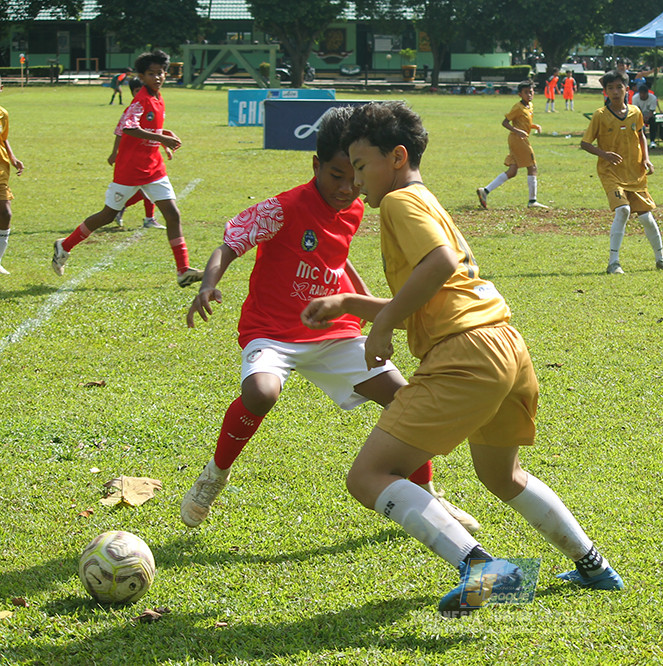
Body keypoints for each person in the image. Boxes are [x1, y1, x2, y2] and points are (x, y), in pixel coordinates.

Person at [300, 101, 623, 618]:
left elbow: (440, 264)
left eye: (362, 166)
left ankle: (485, 570)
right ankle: (592, 563)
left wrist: (380, 325)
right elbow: (440, 288)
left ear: (397, 156)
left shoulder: (400, 203)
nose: (357, 182)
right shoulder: (425, 201)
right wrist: (355, 305)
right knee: (503, 476)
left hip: (465, 353)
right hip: (503, 344)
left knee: (368, 476)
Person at [180, 107, 479, 533]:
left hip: (332, 332)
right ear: (316, 165)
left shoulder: (356, 208)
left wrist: (360, 300)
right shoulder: (284, 207)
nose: (347, 188)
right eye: (336, 176)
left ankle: (430, 495)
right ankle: (215, 475)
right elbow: (230, 242)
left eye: (355, 177)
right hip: (273, 331)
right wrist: (208, 284)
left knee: (405, 399)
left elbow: (335, 259)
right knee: (262, 393)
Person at [51, 50, 202, 287]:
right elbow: (128, 128)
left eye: (161, 72)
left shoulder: (158, 97)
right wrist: (161, 139)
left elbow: (146, 127)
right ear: (142, 76)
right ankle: (64, 245)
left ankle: (183, 270)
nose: (157, 77)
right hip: (130, 169)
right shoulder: (141, 99)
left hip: (154, 168)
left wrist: (163, 135)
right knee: (107, 215)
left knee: (173, 215)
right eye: (151, 74)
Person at [581, 71, 663, 275]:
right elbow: (585, 143)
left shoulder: (635, 112)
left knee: (646, 217)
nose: (615, 92)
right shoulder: (600, 115)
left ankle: (661, 259)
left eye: (619, 87)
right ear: (605, 91)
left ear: (626, 89)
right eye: (610, 88)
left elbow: (641, 135)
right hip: (610, 172)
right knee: (622, 210)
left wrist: (647, 159)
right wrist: (604, 154)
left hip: (635, 172)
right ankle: (613, 263)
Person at [476, 80, 548, 210]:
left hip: (518, 139)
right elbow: (505, 122)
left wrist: (533, 126)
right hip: (518, 140)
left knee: (513, 171)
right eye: (526, 92)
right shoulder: (517, 107)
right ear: (520, 94)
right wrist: (517, 131)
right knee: (532, 167)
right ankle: (533, 201)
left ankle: (485, 191)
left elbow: (522, 123)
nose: (529, 94)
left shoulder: (530, 106)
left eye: (531, 92)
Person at [109, 77, 163, 230]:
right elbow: (121, 132)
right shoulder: (131, 110)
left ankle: (148, 217)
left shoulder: (152, 105)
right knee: (144, 189)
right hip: (133, 158)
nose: (141, 93)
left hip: (148, 157)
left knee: (150, 187)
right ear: (133, 93)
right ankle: (120, 209)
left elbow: (155, 130)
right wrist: (114, 153)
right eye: (137, 91)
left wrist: (163, 142)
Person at [0, 75, 25, 275]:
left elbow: (4, 138)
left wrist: (13, 157)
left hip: (1, 169)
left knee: (5, 213)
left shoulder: (3, 114)